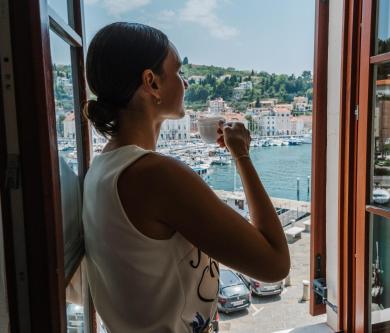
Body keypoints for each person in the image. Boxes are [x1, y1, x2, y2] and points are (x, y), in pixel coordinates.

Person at [82, 22, 290, 333]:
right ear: (151, 83)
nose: (186, 84)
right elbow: (275, 264)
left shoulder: (101, 168)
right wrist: (242, 156)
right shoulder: (155, 176)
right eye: (178, 72)